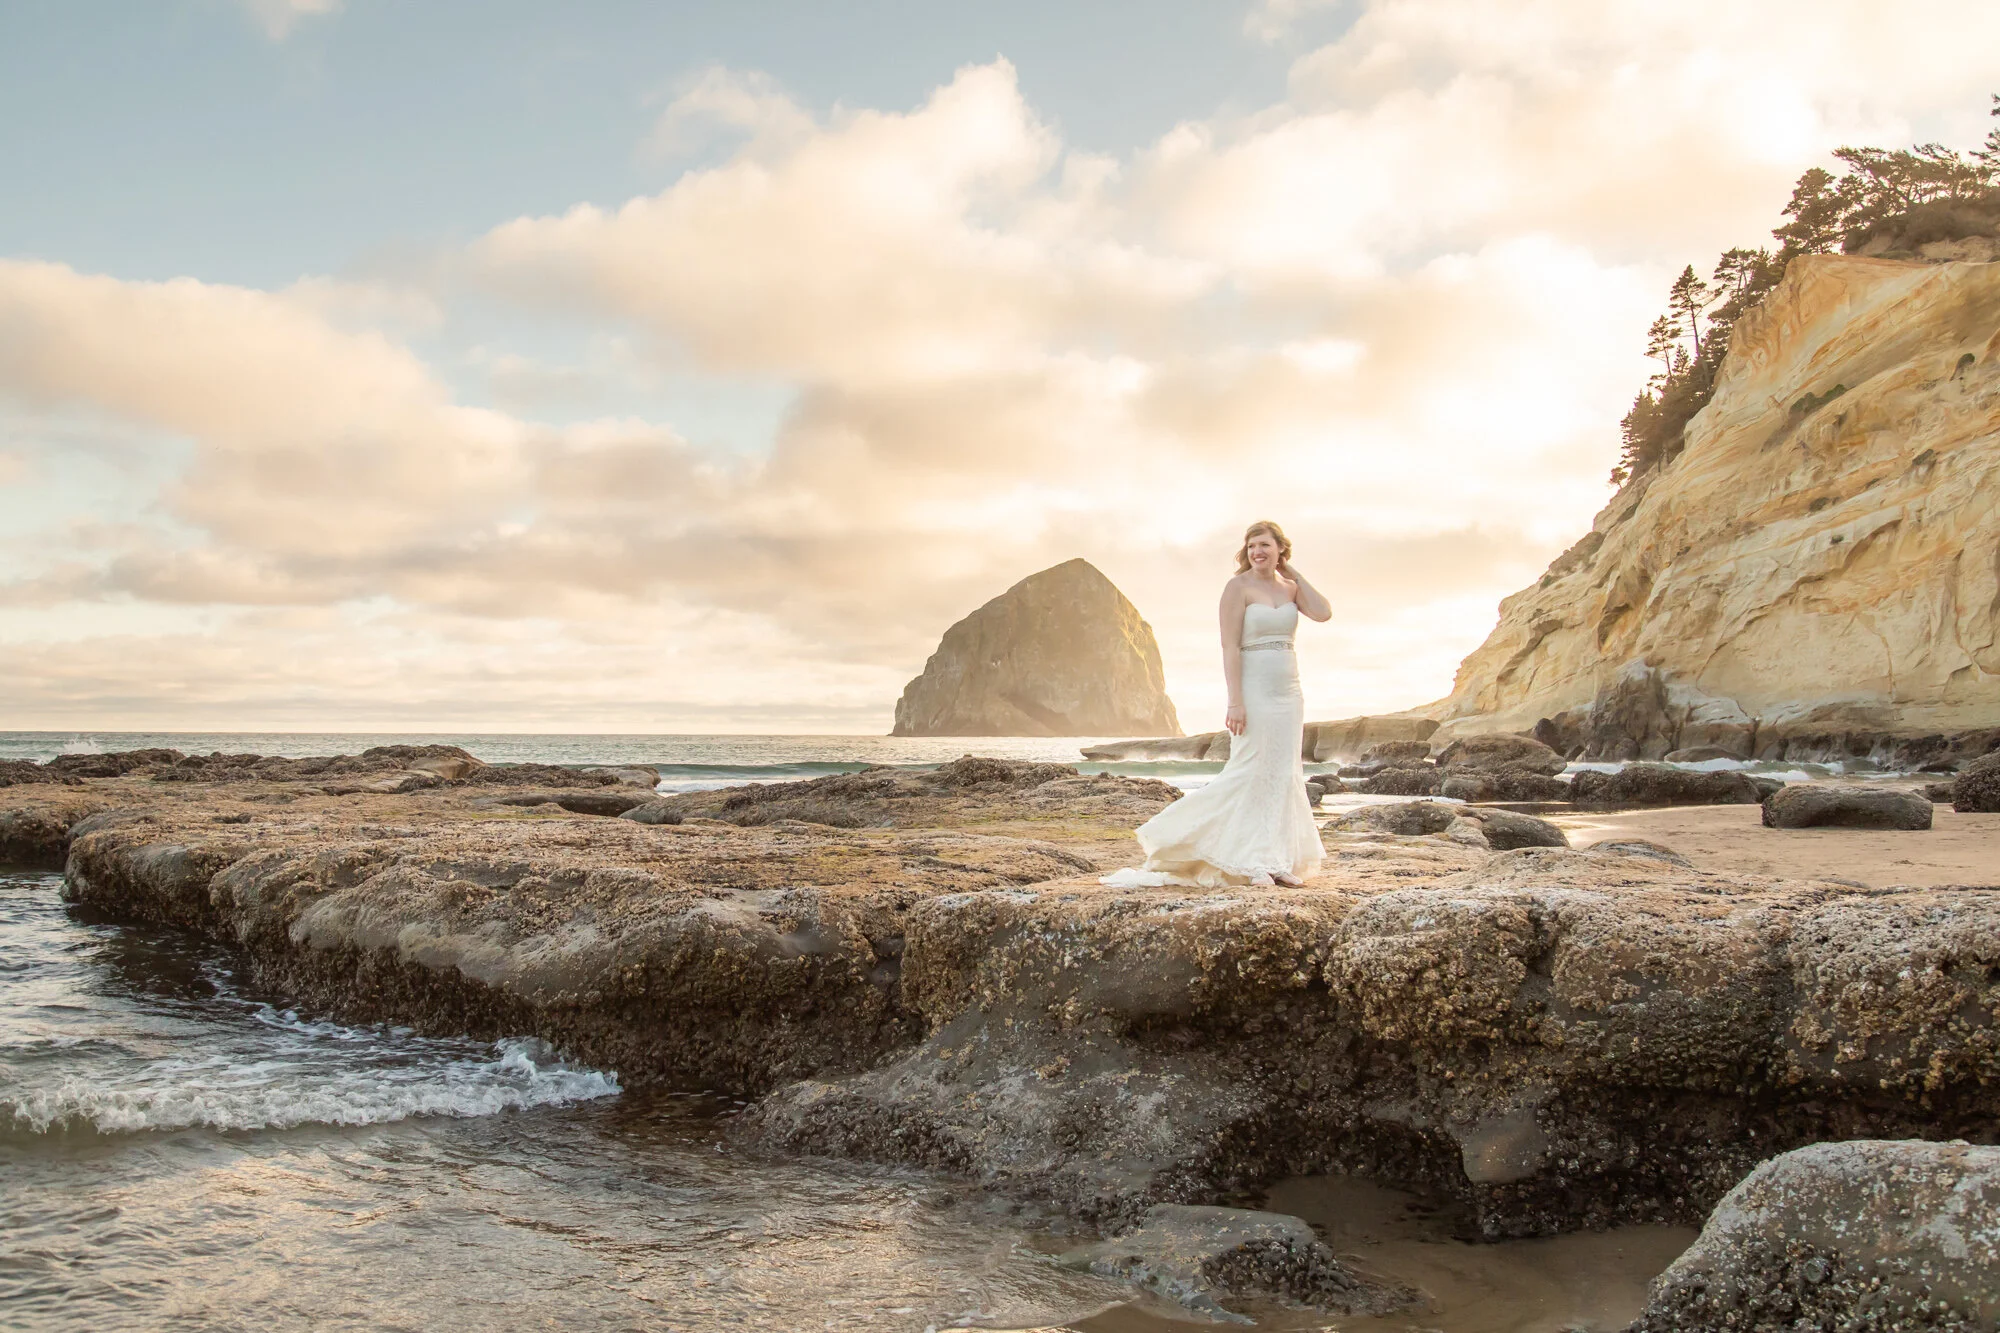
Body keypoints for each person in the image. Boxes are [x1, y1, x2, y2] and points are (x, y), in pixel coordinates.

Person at [1102, 520, 1330, 888]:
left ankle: (1277, 858)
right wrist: (1235, 701)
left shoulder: (1291, 588)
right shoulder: (1236, 587)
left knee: (1284, 773)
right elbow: (1229, 646)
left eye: (1265, 546)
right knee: (1249, 769)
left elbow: (1323, 612)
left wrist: (1293, 572)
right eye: (1252, 545)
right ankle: (1247, 859)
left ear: (1280, 550)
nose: (1257, 551)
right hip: (1253, 688)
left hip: (1289, 690)